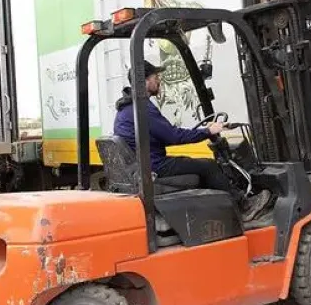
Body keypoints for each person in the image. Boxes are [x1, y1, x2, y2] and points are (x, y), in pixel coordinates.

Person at [113, 61, 272, 221]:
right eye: (156, 77)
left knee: (194, 164)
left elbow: (164, 133)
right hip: (154, 166)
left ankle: (217, 212)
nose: (159, 80)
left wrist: (202, 131)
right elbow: (174, 137)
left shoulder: (127, 108)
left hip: (146, 164)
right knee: (209, 166)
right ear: (145, 81)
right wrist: (208, 131)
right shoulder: (142, 109)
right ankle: (244, 207)